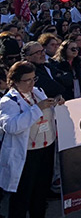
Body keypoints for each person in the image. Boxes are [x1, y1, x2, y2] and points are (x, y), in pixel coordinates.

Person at [0, 61, 63, 218]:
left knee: (40, 193)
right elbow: (11, 127)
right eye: (26, 80)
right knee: (23, 195)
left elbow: (49, 114)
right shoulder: (8, 101)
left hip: (46, 147)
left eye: (33, 79)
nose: (31, 83)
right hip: (27, 154)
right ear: (14, 81)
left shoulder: (38, 91)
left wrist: (57, 105)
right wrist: (37, 108)